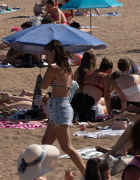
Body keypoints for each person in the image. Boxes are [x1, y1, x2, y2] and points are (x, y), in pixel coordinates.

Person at [41, 40, 86, 176]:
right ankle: (40, 174)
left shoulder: (54, 68)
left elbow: (43, 85)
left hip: (60, 108)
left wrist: (48, 68)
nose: (46, 58)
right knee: (45, 143)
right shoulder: (68, 68)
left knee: (67, 147)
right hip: (60, 106)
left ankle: (87, 174)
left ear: (54, 52)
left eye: (47, 54)